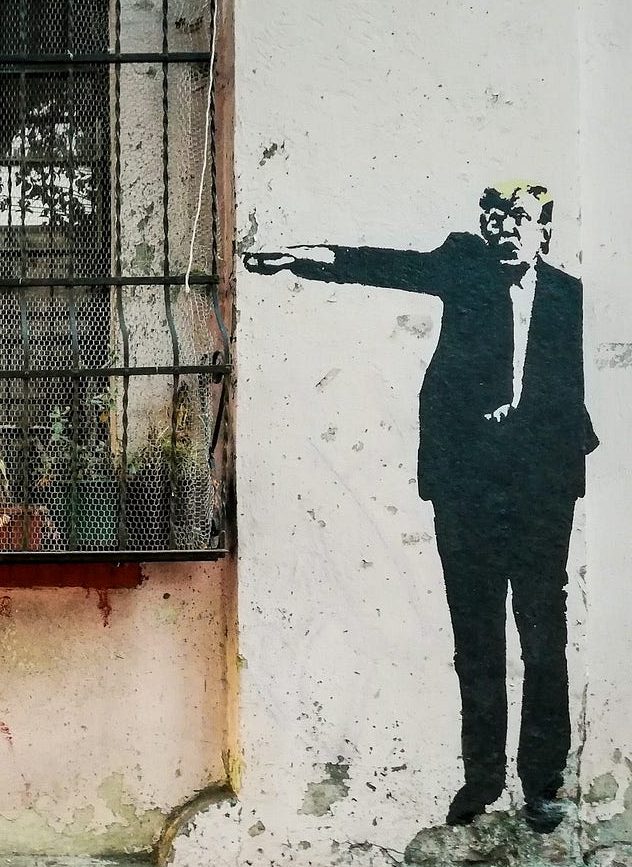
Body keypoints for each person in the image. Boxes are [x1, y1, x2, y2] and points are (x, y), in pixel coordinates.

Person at [243, 182, 597, 833]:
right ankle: (483, 778)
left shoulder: (570, 295)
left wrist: (524, 424)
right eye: (496, 217)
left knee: (544, 637)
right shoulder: (462, 266)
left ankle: (543, 782)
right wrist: (300, 255)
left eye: (521, 219)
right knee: (477, 638)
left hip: (541, 493)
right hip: (465, 489)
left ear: (544, 228)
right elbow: (377, 264)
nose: (507, 229)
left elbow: (565, 395)